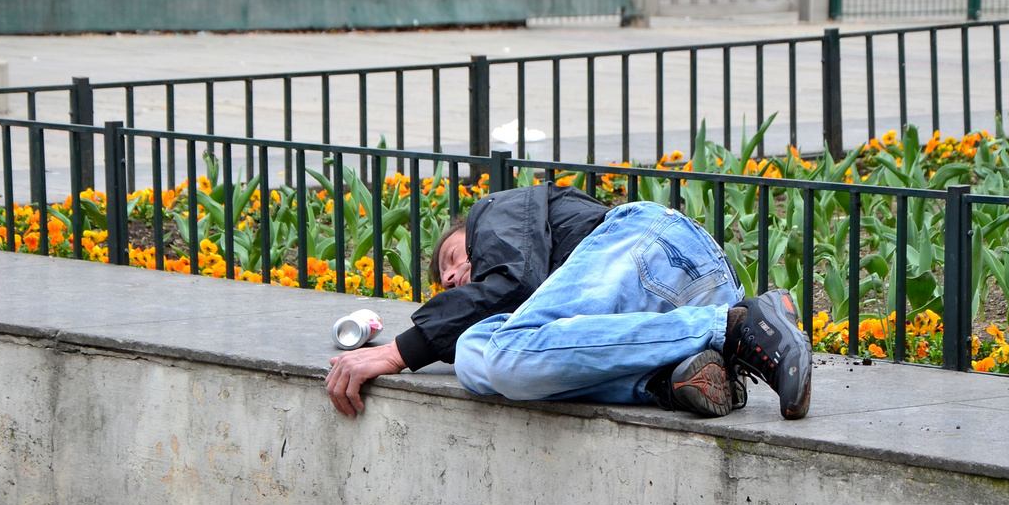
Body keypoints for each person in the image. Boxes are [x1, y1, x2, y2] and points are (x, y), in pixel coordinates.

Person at [324, 181, 813, 421]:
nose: (454, 276)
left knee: (496, 352)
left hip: (648, 249)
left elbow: (513, 277)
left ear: (467, 235)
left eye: (453, 259)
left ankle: (736, 325)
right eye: (448, 283)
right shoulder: (509, 300)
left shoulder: (494, 213)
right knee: (476, 354)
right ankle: (668, 381)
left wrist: (396, 351)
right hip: (670, 305)